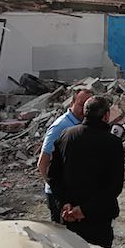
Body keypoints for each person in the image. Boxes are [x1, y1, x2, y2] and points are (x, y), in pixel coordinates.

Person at [48, 95, 125, 248]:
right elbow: (114, 187)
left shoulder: (66, 135)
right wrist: (85, 210)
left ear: (85, 113)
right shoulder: (113, 143)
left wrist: (64, 204)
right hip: (98, 219)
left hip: (69, 217)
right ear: (106, 116)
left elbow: (53, 176)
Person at [37, 88, 92, 221]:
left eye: (87, 105)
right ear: (72, 103)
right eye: (81, 104)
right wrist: (59, 195)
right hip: (61, 197)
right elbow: (43, 164)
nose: (84, 110)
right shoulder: (60, 127)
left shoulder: (84, 126)